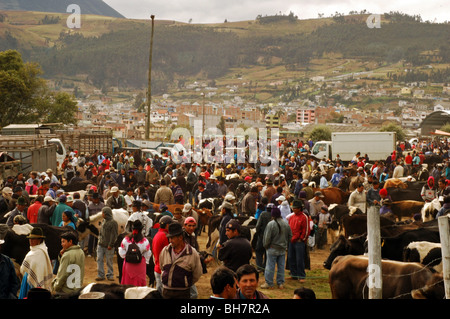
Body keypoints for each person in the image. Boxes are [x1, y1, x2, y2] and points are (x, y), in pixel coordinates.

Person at [159, 222, 203, 299]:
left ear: (180, 238)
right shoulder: (165, 251)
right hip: (166, 292)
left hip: (183, 293)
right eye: (169, 238)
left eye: (172, 238)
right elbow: (161, 267)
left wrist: (185, 282)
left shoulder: (192, 253)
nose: (170, 240)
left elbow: (197, 274)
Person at [261, 207, 292, 289]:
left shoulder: (271, 224)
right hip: (282, 249)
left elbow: (267, 238)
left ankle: (269, 283)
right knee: (281, 267)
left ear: (272, 215)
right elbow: (290, 236)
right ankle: (280, 283)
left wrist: (266, 246)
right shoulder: (286, 224)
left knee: (270, 266)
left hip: (272, 248)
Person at [18, 227, 53, 299]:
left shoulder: (40, 252)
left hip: (32, 283)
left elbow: (37, 271)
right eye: (30, 238)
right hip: (28, 278)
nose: (31, 240)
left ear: (40, 240)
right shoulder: (38, 250)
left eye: (33, 238)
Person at [118, 220, 151, 286]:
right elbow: (147, 254)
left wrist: (127, 257)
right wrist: (146, 261)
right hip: (140, 264)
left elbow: (121, 251)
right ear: (141, 229)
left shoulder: (126, 240)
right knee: (139, 285)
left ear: (132, 229)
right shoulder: (145, 241)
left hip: (128, 264)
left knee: (128, 283)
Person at [288, 199, 310, 283]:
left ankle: (301, 275)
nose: (293, 209)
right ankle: (293, 274)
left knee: (299, 259)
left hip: (299, 242)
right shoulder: (291, 217)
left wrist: (302, 238)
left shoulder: (304, 217)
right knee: (291, 258)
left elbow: (306, 230)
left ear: (300, 208)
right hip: (291, 241)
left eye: (295, 208)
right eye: (293, 208)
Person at [96, 207, 118, 282]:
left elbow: (114, 235)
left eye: (103, 213)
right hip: (101, 244)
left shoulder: (113, 223)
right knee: (99, 259)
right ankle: (100, 275)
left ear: (106, 214)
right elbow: (101, 233)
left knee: (109, 261)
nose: (102, 214)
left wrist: (111, 245)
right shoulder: (104, 221)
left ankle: (110, 275)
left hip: (108, 246)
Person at [152, 215, 173, 294]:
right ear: (167, 225)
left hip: (157, 266)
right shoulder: (165, 236)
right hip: (163, 269)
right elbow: (168, 253)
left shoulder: (157, 235)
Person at [254, 203, 273, 272]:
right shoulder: (274, 216)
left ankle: (259, 267)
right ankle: (265, 266)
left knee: (258, 251)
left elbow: (258, 226)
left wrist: (259, 233)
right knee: (267, 252)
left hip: (262, 236)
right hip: (271, 238)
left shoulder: (263, 214)